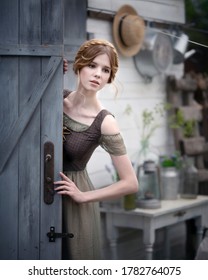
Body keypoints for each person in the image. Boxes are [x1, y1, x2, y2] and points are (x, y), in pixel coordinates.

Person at [54, 38, 139, 260]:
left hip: (74, 206)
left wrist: (84, 197)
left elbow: (130, 182)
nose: (97, 74)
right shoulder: (55, 97)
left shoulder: (105, 121)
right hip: (39, 195)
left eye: (105, 70)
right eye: (92, 65)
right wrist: (51, 67)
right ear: (79, 65)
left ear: (110, 78)